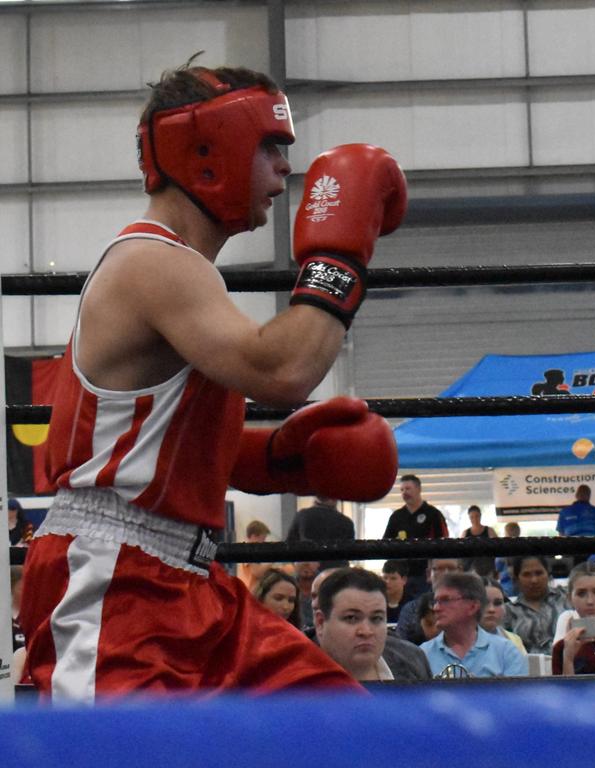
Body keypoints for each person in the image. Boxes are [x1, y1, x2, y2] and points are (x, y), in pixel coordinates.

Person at [18, 61, 406, 700]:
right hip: (112, 579)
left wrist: (278, 462)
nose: (285, 168)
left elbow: (148, 448)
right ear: (208, 149)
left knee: (345, 732)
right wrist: (339, 254)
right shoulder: (151, 262)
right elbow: (283, 369)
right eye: (270, 146)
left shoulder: (186, 275)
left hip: (191, 580)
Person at [419, 572, 527, 678]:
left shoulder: (506, 652)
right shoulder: (422, 654)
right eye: (436, 601)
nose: (436, 608)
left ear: (473, 607)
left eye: (446, 600)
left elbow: (518, 695)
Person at [383, 475, 449, 599]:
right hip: (402, 576)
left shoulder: (433, 514)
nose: (404, 493)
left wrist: (434, 571)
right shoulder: (396, 517)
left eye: (408, 489)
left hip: (425, 576)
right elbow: (385, 544)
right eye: (402, 490)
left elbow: (444, 543)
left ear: (418, 489)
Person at [502, 556, 569, 654]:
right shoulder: (508, 611)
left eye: (539, 573)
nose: (534, 580)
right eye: (526, 574)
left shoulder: (567, 598)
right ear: (516, 579)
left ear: (548, 574)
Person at [394, 558, 462, 643]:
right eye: (440, 569)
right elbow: (401, 649)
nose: (446, 574)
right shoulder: (411, 611)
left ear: (461, 572)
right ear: (429, 574)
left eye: (451, 568)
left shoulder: (469, 608)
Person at [286, 496, 355, 568]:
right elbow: (350, 552)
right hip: (336, 571)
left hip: (309, 568)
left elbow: (290, 545)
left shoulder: (302, 515)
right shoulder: (347, 522)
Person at [480, 578, 527, 655]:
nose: (491, 609)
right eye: (484, 602)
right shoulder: (458, 642)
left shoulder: (514, 640)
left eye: (498, 603)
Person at [382, 559, 411, 623]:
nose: (387, 582)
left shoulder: (412, 605)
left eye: (393, 578)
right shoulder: (377, 602)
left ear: (404, 580)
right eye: (385, 578)